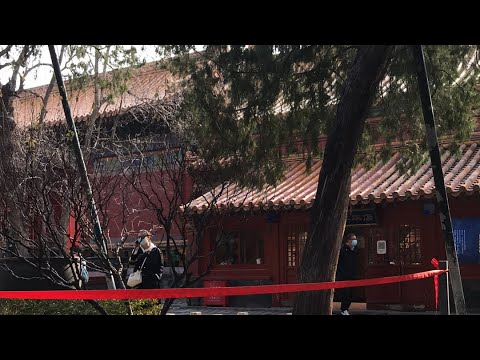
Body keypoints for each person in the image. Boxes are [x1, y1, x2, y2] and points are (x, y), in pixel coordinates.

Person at [336, 232, 358, 315]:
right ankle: (343, 309)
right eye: (353, 239)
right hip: (344, 276)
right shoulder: (343, 250)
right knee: (346, 294)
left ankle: (346, 309)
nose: (355, 241)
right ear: (348, 240)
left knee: (351, 294)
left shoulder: (354, 250)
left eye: (356, 239)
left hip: (352, 276)